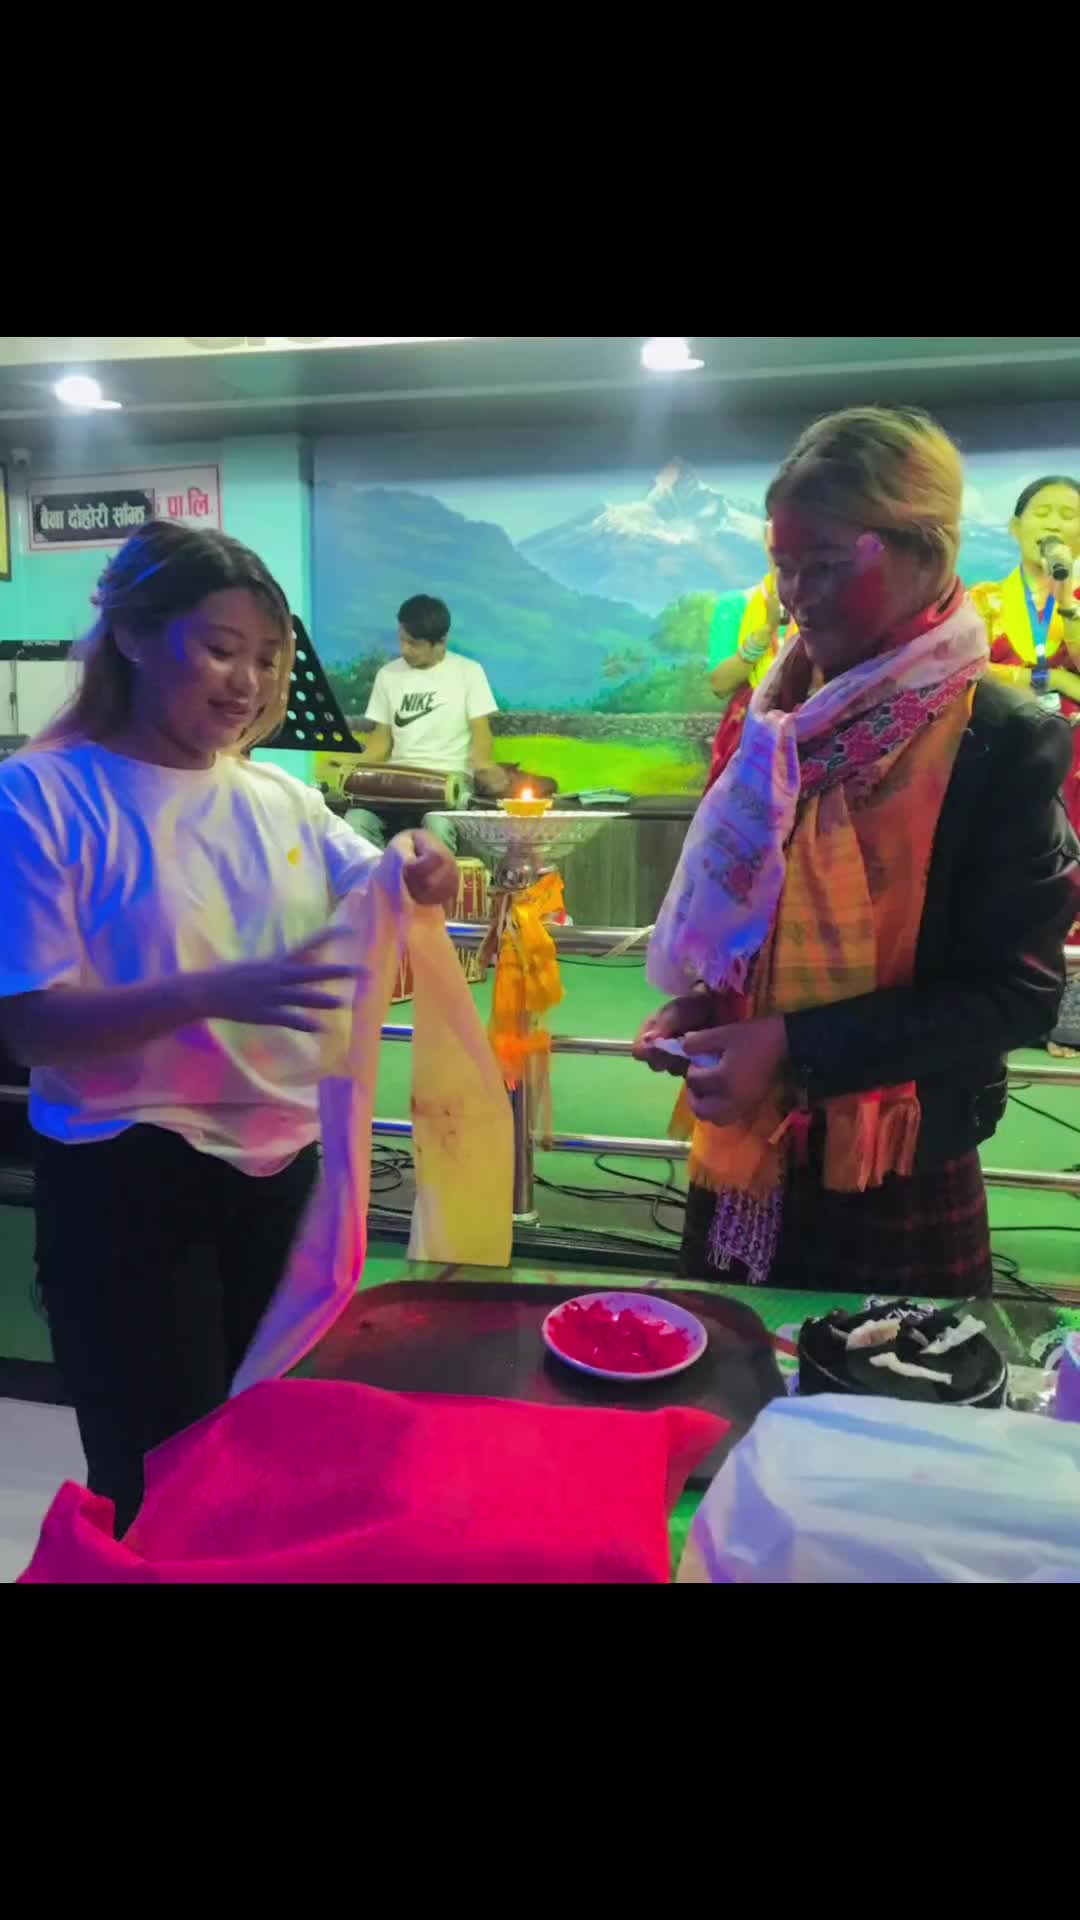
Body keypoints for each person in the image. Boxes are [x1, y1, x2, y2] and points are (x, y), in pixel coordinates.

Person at [0, 522, 458, 1534]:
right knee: (159, 1471)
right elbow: (30, 1027)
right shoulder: (42, 797)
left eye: (267, 658)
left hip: (283, 1170)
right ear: (132, 637)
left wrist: (424, 865)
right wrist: (215, 991)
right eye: (219, 650)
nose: (247, 683)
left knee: (270, 1451)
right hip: (129, 1178)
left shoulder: (279, 799)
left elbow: (387, 886)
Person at [636, 408, 1079, 1298]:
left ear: (929, 552)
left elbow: (1018, 994)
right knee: (732, 1366)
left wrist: (790, 1046)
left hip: (896, 1167)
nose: (798, 597)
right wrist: (715, 1005)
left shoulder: (998, 739)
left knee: (892, 1381)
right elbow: (757, 920)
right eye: (784, 566)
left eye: (830, 565)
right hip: (746, 1151)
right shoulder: (777, 720)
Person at [969, 476, 1080, 1055]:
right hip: (1009, 758)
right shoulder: (983, 600)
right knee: (1009, 871)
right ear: (1016, 527)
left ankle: (1069, 1015)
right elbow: (965, 668)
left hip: (1076, 760)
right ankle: (1010, 1005)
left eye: (1069, 514)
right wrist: (1051, 677)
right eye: (1043, 512)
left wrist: (1069, 602)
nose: (1055, 523)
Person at [343, 595, 508, 855]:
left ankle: (436, 883)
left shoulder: (469, 672)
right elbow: (381, 742)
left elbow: (481, 732)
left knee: (437, 825)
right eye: (402, 640)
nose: (405, 649)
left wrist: (483, 764)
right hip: (397, 783)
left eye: (414, 644)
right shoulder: (388, 675)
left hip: (449, 781)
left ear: (441, 641)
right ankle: (380, 880)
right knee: (356, 821)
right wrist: (349, 770)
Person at [705, 562, 795, 790]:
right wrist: (765, 630)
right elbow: (720, 684)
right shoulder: (738, 604)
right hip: (748, 733)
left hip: (806, 727)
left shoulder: (828, 604)